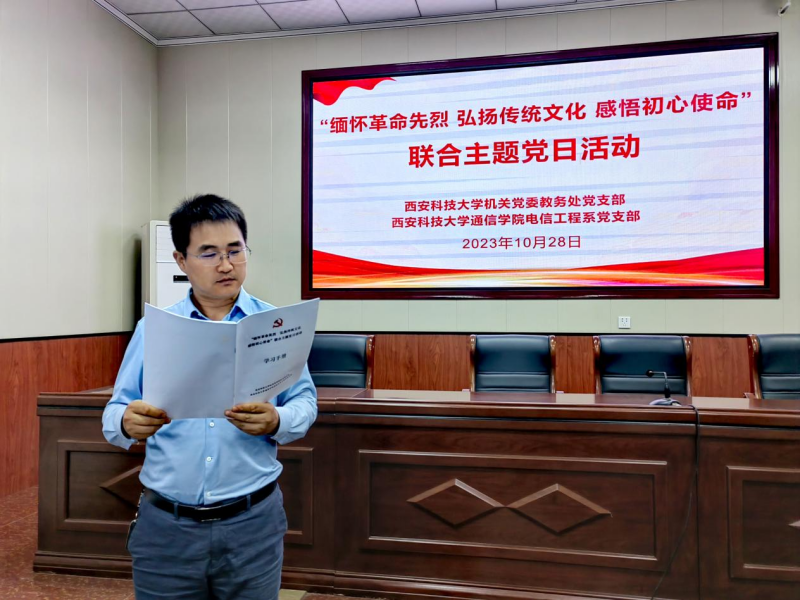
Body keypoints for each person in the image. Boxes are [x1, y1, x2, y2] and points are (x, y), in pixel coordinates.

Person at [102, 194, 317, 600]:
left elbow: (305, 401)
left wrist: (278, 420)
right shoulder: (156, 328)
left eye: (235, 251)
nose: (226, 265)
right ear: (181, 261)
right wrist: (126, 423)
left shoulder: (275, 325)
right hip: (167, 526)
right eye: (209, 253)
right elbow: (114, 414)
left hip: (252, 523)